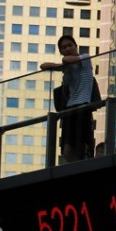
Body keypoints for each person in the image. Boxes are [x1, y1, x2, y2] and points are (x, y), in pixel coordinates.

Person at [40, 35, 95, 163]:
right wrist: (60, 66)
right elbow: (43, 66)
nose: (67, 48)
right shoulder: (66, 67)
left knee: (83, 145)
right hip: (69, 109)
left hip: (83, 107)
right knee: (67, 148)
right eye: (63, 47)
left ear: (76, 46)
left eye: (70, 45)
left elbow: (67, 60)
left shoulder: (85, 58)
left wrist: (62, 64)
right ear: (60, 51)